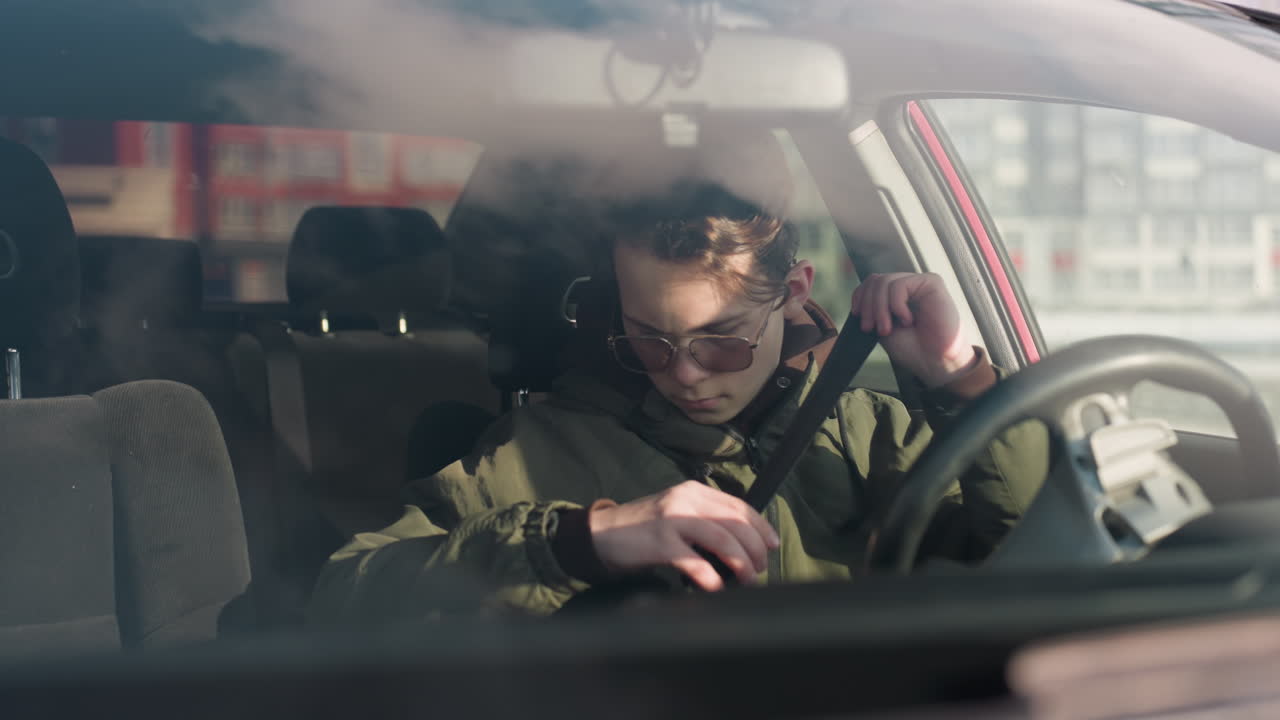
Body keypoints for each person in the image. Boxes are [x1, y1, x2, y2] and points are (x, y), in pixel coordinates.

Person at [308, 180, 1047, 623]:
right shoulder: (541, 447)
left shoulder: (867, 430)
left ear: (793, 298)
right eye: (648, 341)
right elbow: (345, 593)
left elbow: (1050, 557)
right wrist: (584, 540)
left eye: (719, 341)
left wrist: (958, 379)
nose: (685, 373)